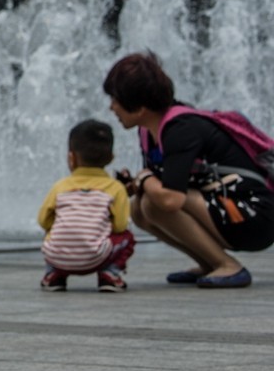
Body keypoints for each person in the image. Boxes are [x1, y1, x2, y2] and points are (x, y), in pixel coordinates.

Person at [105, 51, 274, 288]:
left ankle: (229, 265)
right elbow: (161, 183)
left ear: (140, 107)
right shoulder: (149, 131)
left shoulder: (180, 129)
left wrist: (144, 179)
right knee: (140, 208)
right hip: (224, 209)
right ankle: (209, 263)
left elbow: (171, 199)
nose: (111, 107)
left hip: (254, 216)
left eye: (115, 99)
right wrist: (136, 185)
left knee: (156, 203)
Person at [37, 119, 135, 292]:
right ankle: (110, 274)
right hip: (95, 257)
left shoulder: (60, 186)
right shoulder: (115, 188)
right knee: (127, 237)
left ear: (71, 157)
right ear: (111, 158)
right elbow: (120, 225)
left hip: (56, 256)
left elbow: (43, 220)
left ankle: (53, 274)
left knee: (53, 232)